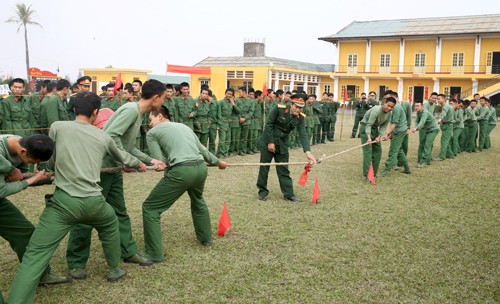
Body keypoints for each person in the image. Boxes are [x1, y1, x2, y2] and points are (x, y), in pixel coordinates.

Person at [7, 93, 140, 303]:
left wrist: (49, 170)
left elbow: (51, 161)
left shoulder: (58, 126)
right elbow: (124, 158)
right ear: (95, 112)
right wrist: (143, 164)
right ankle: (114, 269)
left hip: (63, 204)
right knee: (110, 223)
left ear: (74, 108)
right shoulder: (103, 136)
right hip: (96, 202)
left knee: (34, 256)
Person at [65, 80, 167, 280]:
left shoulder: (136, 113)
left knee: (119, 211)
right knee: (87, 215)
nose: (163, 101)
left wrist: (148, 159)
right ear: (155, 97)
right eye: (163, 97)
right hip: (101, 169)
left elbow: (127, 146)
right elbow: (110, 137)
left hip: (114, 170)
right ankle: (76, 262)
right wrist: (131, 162)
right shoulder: (130, 110)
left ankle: (128, 251)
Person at [142, 105, 227, 262]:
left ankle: (154, 254)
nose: (150, 124)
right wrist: (217, 162)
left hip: (182, 172)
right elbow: (202, 149)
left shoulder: (152, 133)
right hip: (200, 169)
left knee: (150, 208)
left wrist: (159, 165)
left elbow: (159, 161)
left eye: (151, 119)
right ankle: (205, 239)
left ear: (160, 116)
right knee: (198, 201)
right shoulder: (184, 127)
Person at [0, 135, 71, 302]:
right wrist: (13, 171)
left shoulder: (20, 144)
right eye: (32, 162)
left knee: (25, 233)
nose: (31, 165)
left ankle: (41, 275)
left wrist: (47, 179)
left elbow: (23, 176)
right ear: (23, 151)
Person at [257, 93, 317, 202]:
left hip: (283, 144)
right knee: (264, 167)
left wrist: (308, 152)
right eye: (296, 107)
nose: (298, 110)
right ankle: (262, 192)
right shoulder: (279, 109)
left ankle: (289, 194)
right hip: (268, 141)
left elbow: (303, 134)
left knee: (284, 169)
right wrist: (270, 142)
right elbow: (269, 125)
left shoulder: (300, 118)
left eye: (301, 108)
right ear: (291, 104)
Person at [359, 98, 396, 180]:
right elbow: (369, 124)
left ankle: (373, 174)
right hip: (365, 127)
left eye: (391, 107)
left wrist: (379, 136)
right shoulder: (376, 110)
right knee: (368, 152)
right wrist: (369, 138)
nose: (389, 108)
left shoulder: (389, 114)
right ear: (384, 103)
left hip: (375, 129)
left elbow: (383, 126)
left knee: (378, 151)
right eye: (388, 105)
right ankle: (367, 175)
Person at [378, 97, 411, 177]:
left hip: (399, 131)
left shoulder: (396, 108)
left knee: (393, 151)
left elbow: (395, 123)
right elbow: (392, 122)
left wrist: (386, 133)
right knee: (399, 150)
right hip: (398, 130)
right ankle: (407, 168)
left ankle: (387, 170)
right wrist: (390, 133)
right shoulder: (394, 107)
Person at [411, 100, 439, 168]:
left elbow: (422, 121)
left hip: (433, 129)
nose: (416, 107)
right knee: (422, 143)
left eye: (418, 106)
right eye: (415, 106)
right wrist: (415, 126)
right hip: (427, 129)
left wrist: (417, 128)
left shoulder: (425, 112)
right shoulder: (418, 112)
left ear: (422, 106)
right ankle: (420, 160)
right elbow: (417, 121)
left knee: (427, 145)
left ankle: (424, 162)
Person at [434, 94, 455, 161]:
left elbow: (443, 114)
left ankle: (441, 156)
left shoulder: (445, 106)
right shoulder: (447, 106)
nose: (438, 100)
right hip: (447, 124)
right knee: (447, 140)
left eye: (439, 99)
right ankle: (450, 154)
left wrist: (440, 120)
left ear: (444, 99)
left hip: (447, 125)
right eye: (437, 99)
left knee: (444, 141)